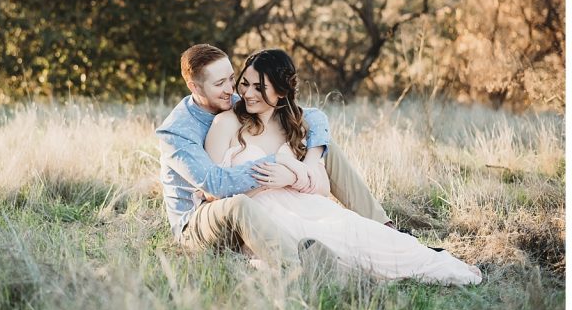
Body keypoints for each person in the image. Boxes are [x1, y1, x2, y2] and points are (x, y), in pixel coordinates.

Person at [202, 48, 480, 284]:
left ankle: (425, 259)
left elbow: (321, 187)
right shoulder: (225, 124)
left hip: (306, 205)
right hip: (259, 215)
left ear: (282, 92)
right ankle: (330, 273)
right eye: (245, 84)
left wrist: (289, 174)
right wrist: (263, 180)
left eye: (259, 87)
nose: (247, 93)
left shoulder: (292, 127)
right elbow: (213, 192)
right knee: (320, 246)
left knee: (362, 235)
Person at [157, 44, 400, 267]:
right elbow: (215, 186)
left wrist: (309, 163)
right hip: (199, 222)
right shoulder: (176, 132)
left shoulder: (233, 100)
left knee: (322, 144)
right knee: (238, 204)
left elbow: (311, 117)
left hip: (254, 205)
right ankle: (297, 267)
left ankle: (383, 225)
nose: (231, 90)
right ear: (194, 87)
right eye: (220, 83)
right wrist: (283, 164)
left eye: (232, 79)